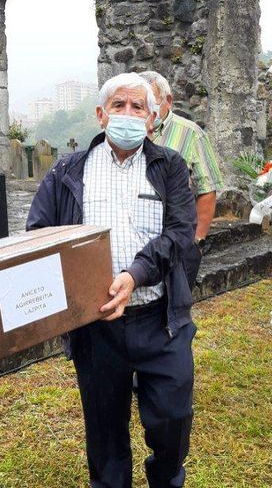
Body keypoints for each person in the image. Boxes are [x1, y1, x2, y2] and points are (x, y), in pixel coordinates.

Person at [27, 72, 198, 487]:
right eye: (118, 106)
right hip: (96, 325)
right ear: (101, 115)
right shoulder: (69, 170)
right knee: (105, 433)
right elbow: (39, 233)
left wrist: (133, 275)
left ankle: (165, 477)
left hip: (159, 318)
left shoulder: (170, 167)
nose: (127, 114)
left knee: (172, 418)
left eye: (138, 107)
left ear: (152, 119)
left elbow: (179, 234)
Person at [140, 71, 224, 262]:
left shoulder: (191, 134)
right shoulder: (129, 133)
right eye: (140, 104)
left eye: (151, 103)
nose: (146, 111)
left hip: (176, 240)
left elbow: (207, 190)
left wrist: (196, 242)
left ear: (168, 101)